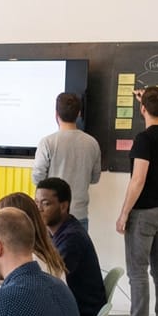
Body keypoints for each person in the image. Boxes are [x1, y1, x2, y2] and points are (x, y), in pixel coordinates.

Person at [106, 87, 158, 316]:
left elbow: (138, 180)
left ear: (142, 109)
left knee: (137, 271)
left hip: (144, 212)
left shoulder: (144, 139)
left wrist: (123, 213)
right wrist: (149, 101)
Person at [36, 177, 108, 316]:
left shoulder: (72, 238)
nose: (39, 209)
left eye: (45, 204)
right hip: (72, 313)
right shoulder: (58, 230)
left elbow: (49, 280)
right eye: (36, 203)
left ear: (63, 206)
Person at [31, 92, 101, 229]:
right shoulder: (92, 143)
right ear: (79, 114)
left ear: (56, 114)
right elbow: (95, 178)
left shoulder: (47, 142)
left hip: (51, 216)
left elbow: (37, 178)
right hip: (79, 215)